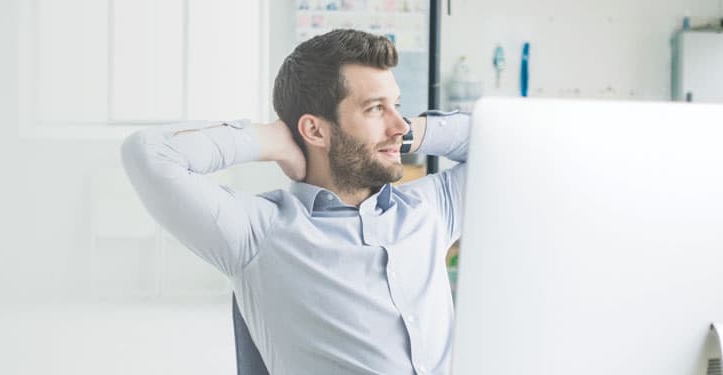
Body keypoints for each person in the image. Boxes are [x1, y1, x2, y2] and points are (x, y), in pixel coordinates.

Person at [121, 29, 469, 375]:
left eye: (397, 106)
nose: (399, 126)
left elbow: (505, 145)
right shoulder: (258, 232)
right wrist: (273, 140)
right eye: (376, 109)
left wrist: (409, 134)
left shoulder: (429, 208)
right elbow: (149, 153)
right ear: (315, 130)